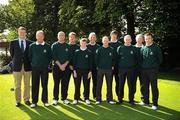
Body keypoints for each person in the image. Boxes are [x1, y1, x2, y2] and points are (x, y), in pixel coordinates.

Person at [9, 26, 32, 107]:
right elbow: (12, 55)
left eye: (23, 32)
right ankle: (18, 101)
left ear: (25, 33)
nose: (22, 34)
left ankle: (26, 99)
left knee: (27, 84)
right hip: (17, 67)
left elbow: (30, 55)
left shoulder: (30, 43)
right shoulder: (13, 42)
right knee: (17, 85)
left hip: (27, 66)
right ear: (18, 33)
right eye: (20, 32)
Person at [29, 30, 51, 108]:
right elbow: (30, 57)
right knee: (35, 85)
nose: (40, 37)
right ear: (36, 37)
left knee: (44, 85)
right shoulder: (32, 46)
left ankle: (45, 101)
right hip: (35, 68)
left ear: (43, 36)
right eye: (38, 36)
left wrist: (46, 64)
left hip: (44, 68)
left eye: (41, 36)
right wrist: (34, 64)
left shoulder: (48, 46)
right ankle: (34, 102)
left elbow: (49, 57)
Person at [140, 32, 162, 110]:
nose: (147, 40)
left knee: (154, 86)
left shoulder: (156, 47)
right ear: (144, 39)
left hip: (153, 70)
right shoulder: (143, 48)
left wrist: (154, 67)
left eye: (149, 38)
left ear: (152, 38)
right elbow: (141, 59)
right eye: (146, 39)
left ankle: (155, 104)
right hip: (144, 70)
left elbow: (160, 60)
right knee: (144, 86)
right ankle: (145, 101)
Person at [117, 35, 138, 105]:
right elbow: (117, 59)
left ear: (131, 40)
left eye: (129, 39)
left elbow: (136, 59)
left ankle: (131, 99)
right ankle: (120, 99)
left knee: (131, 85)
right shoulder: (120, 48)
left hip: (131, 69)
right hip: (122, 69)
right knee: (121, 84)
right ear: (124, 40)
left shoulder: (134, 48)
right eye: (126, 39)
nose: (128, 40)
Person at [51, 31, 71, 105]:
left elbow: (69, 57)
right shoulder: (54, 45)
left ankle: (64, 98)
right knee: (56, 83)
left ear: (64, 36)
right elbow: (54, 57)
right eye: (60, 35)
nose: (61, 36)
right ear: (57, 36)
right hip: (56, 67)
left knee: (65, 83)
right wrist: (60, 65)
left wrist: (64, 65)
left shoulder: (68, 46)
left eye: (63, 35)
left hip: (66, 68)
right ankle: (55, 99)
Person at [95, 36, 116, 105]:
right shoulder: (99, 49)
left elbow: (114, 59)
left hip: (109, 69)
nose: (106, 41)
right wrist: (97, 66)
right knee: (99, 84)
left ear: (108, 41)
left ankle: (109, 99)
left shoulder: (111, 49)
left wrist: (112, 66)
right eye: (104, 40)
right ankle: (98, 99)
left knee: (109, 84)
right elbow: (96, 59)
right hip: (100, 69)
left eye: (107, 40)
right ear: (102, 41)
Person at [72, 38, 92, 105]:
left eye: (84, 43)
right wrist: (74, 71)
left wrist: (90, 72)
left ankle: (86, 98)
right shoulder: (76, 52)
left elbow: (90, 63)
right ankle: (76, 98)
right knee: (77, 85)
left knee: (86, 85)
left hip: (86, 71)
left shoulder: (89, 52)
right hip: (77, 71)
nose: (83, 44)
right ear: (80, 43)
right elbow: (74, 63)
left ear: (86, 43)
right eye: (82, 43)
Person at [87, 32, 100, 99]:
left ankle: (95, 96)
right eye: (91, 37)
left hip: (96, 67)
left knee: (96, 82)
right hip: (87, 67)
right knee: (87, 82)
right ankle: (86, 96)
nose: (92, 38)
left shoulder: (98, 47)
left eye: (94, 37)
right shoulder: (86, 46)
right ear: (89, 38)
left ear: (95, 38)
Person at [109, 30, 122, 97]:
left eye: (115, 35)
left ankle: (119, 96)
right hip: (109, 66)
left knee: (118, 82)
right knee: (109, 82)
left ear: (117, 36)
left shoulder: (120, 44)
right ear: (110, 35)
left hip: (118, 66)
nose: (114, 36)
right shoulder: (107, 43)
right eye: (112, 35)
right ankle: (110, 97)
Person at [134, 34, 145, 101]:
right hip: (133, 69)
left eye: (140, 38)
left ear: (143, 40)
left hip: (143, 69)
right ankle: (132, 98)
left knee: (143, 84)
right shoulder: (132, 47)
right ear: (135, 39)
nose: (139, 40)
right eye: (138, 38)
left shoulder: (145, 48)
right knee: (132, 84)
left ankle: (143, 98)